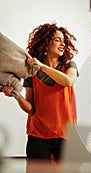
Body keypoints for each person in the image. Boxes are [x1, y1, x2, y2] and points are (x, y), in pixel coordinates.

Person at [1, 23, 78, 162]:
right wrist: (16, 95)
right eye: (57, 40)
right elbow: (31, 109)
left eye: (64, 41)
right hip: (38, 136)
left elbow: (68, 81)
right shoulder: (32, 73)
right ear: (46, 43)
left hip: (65, 135)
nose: (63, 44)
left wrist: (42, 66)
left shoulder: (68, 65)